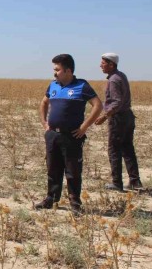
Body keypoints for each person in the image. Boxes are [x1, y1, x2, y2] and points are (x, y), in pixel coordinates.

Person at [35, 54, 103, 214]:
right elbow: (44, 103)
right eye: (54, 69)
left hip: (72, 137)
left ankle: (75, 203)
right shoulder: (53, 85)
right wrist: (45, 124)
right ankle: (51, 198)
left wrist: (84, 127)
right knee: (53, 168)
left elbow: (98, 105)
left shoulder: (82, 86)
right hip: (53, 135)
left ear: (68, 70)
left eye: (57, 70)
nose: (55, 73)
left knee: (73, 171)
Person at [94, 53, 143, 191]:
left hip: (118, 119)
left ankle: (117, 183)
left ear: (111, 64)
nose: (100, 65)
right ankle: (135, 181)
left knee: (114, 150)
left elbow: (116, 102)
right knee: (127, 148)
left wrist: (104, 116)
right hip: (127, 116)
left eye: (103, 63)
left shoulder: (114, 80)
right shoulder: (121, 75)